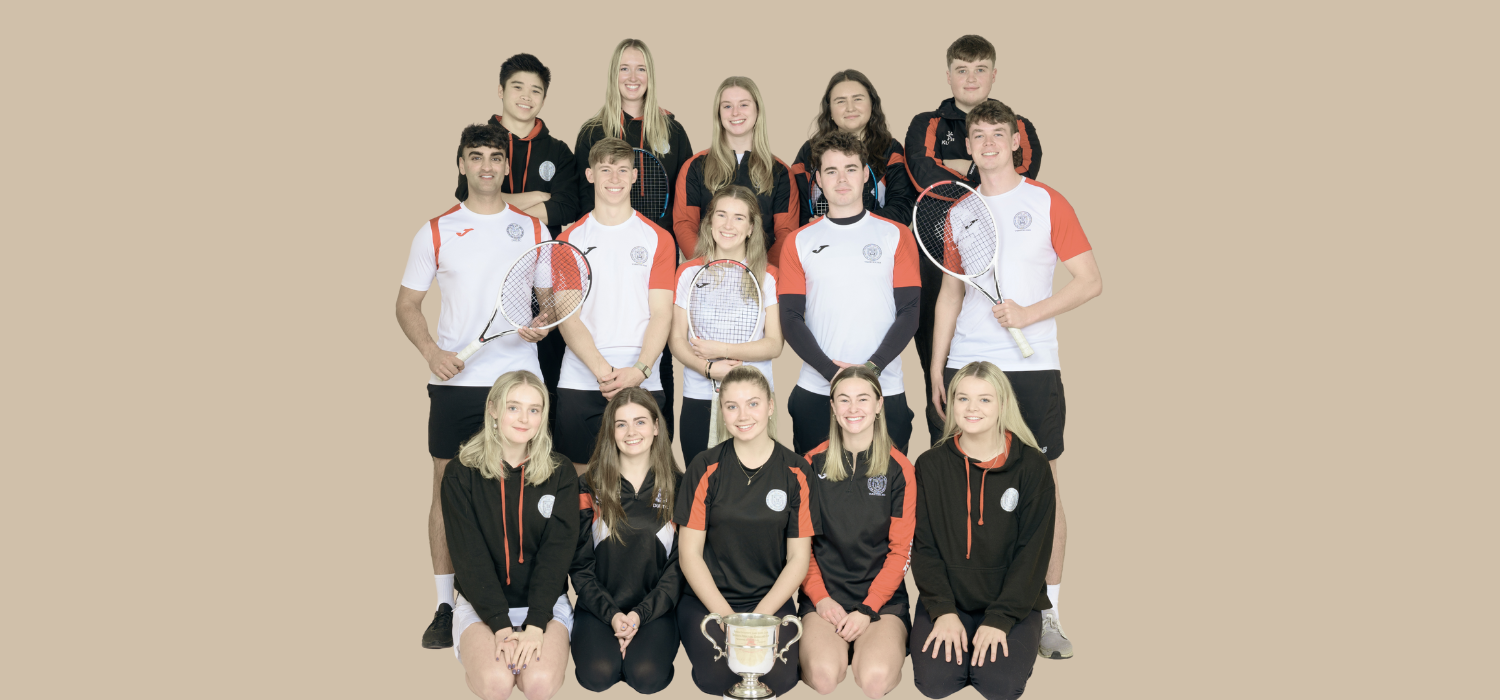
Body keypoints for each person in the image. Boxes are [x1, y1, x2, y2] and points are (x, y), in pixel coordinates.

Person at [929, 99, 1102, 660]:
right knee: (959, 490)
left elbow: (1090, 281)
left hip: (1031, 368)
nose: (987, 142)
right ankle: (962, 608)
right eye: (977, 134)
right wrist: (935, 365)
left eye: (997, 133)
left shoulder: (1047, 201)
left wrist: (1029, 314)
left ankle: (1047, 611)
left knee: (1042, 489)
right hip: (967, 362)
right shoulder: (959, 211)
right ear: (968, 145)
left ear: (1015, 142)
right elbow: (951, 292)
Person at [397, 124, 553, 650]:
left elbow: (548, 301)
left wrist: (542, 322)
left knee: (525, 490)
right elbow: (406, 304)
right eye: (476, 156)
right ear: (462, 164)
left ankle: (529, 603)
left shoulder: (531, 229)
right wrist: (431, 352)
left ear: (507, 166)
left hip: (518, 380)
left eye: (495, 157)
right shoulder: (436, 231)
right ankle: (446, 605)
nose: (486, 165)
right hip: (457, 383)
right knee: (446, 490)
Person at [904, 35, 1044, 450]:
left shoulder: (1020, 125)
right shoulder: (926, 123)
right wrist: (979, 175)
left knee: (1002, 372)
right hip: (938, 263)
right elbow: (924, 177)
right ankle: (943, 451)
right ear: (948, 76)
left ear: (993, 75)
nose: (971, 78)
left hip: (1004, 261)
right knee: (941, 366)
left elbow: (1020, 172)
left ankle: (1007, 457)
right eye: (961, 70)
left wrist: (962, 172)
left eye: (980, 69)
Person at [909, 362, 1056, 699]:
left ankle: (1003, 649)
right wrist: (943, 611)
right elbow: (924, 547)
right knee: (936, 683)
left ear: (1003, 404)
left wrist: (1001, 618)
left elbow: (1033, 553)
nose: (972, 408)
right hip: (950, 600)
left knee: (998, 685)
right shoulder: (930, 465)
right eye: (963, 398)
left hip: (1014, 603)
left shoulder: (1031, 466)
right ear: (951, 404)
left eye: (984, 399)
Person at [574, 39, 694, 441]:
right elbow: (581, 201)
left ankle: (659, 445)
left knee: (659, 339)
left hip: (656, 255)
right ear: (614, 75)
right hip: (602, 253)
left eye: (640, 68)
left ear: (650, 76)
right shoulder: (592, 131)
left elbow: (685, 202)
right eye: (624, 68)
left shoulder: (672, 130)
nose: (632, 77)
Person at [674, 366, 817, 697]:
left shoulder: (796, 471)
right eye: (732, 406)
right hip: (708, 600)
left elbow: (799, 558)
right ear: (722, 412)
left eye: (753, 403)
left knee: (777, 680)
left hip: (769, 600)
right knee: (717, 678)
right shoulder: (704, 467)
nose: (743, 415)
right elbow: (689, 554)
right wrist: (728, 620)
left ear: (770, 406)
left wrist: (759, 621)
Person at [779, 130, 920, 455]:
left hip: (884, 387)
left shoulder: (896, 235)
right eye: (831, 171)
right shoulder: (798, 241)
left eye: (851, 169)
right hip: (817, 389)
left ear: (866, 175)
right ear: (818, 179)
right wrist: (833, 374)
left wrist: (870, 370)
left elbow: (910, 311)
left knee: (887, 484)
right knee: (813, 486)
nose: (842, 179)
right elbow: (790, 318)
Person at [442, 371, 579, 700]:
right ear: (493, 408)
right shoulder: (460, 473)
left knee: (539, 682)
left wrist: (536, 624)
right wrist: (500, 625)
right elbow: (469, 557)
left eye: (534, 410)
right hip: (482, 605)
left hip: (544, 604)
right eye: (513, 407)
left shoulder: (560, 471)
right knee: (496, 682)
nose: (524, 419)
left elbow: (557, 554)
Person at [556, 138, 676, 473]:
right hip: (582, 380)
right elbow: (568, 317)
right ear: (590, 175)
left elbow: (662, 314)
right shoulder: (568, 240)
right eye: (606, 169)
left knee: (641, 483)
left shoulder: (659, 239)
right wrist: (603, 373)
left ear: (635, 176)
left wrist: (639, 370)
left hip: (643, 379)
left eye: (623, 170)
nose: (614, 178)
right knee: (580, 484)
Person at [798, 365, 915, 698]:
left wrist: (868, 608)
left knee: (875, 680)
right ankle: (828, 649)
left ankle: (870, 648)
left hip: (881, 601)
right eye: (844, 399)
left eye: (863, 399)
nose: (853, 408)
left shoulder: (900, 468)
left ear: (879, 404)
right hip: (824, 597)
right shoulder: (810, 464)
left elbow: (901, 551)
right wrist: (820, 599)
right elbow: (800, 546)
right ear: (833, 407)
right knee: (823, 678)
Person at [488, 52, 580, 439]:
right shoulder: (481, 141)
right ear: (501, 91)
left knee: (547, 366)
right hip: (491, 270)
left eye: (536, 90)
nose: (526, 97)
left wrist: (504, 203)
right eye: (518, 87)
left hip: (544, 272)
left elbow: (567, 206)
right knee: (493, 372)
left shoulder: (557, 150)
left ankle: (545, 459)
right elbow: (473, 197)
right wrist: (540, 196)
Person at [571, 388, 683, 694]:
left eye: (640, 422)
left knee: (646, 676)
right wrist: (612, 615)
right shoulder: (588, 486)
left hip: (656, 608)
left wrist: (639, 615)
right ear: (611, 431)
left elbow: (680, 567)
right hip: (598, 607)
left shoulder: (680, 486)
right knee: (597, 674)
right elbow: (579, 566)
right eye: (621, 424)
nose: (631, 432)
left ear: (656, 427)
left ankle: (640, 654)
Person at [668, 185, 784, 462]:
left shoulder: (768, 276)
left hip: (752, 396)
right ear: (709, 223)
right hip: (700, 395)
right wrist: (708, 369)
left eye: (739, 217)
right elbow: (676, 340)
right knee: (700, 479)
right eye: (721, 215)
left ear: (751, 228)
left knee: (753, 480)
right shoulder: (687, 273)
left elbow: (774, 344)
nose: (728, 225)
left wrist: (722, 350)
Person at [672, 76, 797, 263]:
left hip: (761, 276)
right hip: (707, 272)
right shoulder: (694, 167)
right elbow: (685, 225)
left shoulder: (781, 172)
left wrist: (761, 273)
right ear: (718, 113)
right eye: (727, 106)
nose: (735, 112)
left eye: (744, 105)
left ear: (758, 110)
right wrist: (707, 267)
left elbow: (786, 233)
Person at [790, 69, 915, 227]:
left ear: (872, 104)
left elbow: (902, 210)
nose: (850, 108)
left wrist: (848, 225)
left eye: (858, 99)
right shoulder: (808, 151)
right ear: (829, 110)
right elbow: (795, 213)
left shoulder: (891, 149)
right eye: (840, 101)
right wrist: (817, 228)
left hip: (877, 240)